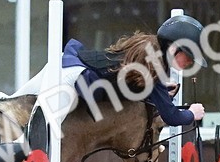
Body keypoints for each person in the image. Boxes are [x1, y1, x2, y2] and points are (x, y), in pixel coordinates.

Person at [56, 14, 207, 127]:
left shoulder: (150, 49)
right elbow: (172, 117)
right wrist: (192, 113)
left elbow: (129, 85)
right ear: (173, 48)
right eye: (189, 55)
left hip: (70, 64)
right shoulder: (155, 66)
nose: (191, 62)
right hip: (71, 77)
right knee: (48, 137)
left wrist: (157, 93)